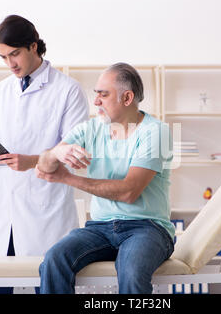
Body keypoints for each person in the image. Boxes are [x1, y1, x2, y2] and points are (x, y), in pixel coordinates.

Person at [0, 15, 89, 294]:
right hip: (3, 212)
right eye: (3, 57)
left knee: (49, 287)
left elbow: (76, 154)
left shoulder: (68, 90)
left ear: (34, 46)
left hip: (45, 212)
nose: (10, 64)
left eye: (15, 54)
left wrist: (33, 161)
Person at [35, 62, 175, 294]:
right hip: (99, 228)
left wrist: (68, 178)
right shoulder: (90, 129)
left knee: (131, 270)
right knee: (54, 259)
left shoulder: (155, 132)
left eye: (103, 94)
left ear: (127, 98)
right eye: (96, 94)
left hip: (146, 228)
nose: (96, 101)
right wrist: (56, 153)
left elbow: (129, 192)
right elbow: (44, 167)